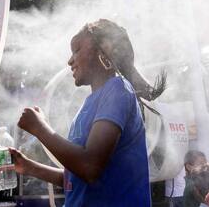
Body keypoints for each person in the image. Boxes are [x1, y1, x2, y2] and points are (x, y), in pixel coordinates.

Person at [10, 19, 166, 206]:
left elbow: (89, 167)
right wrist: (29, 167)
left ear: (103, 51)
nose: (70, 60)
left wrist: (39, 128)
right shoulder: (88, 105)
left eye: (76, 50)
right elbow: (76, 180)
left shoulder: (118, 90)